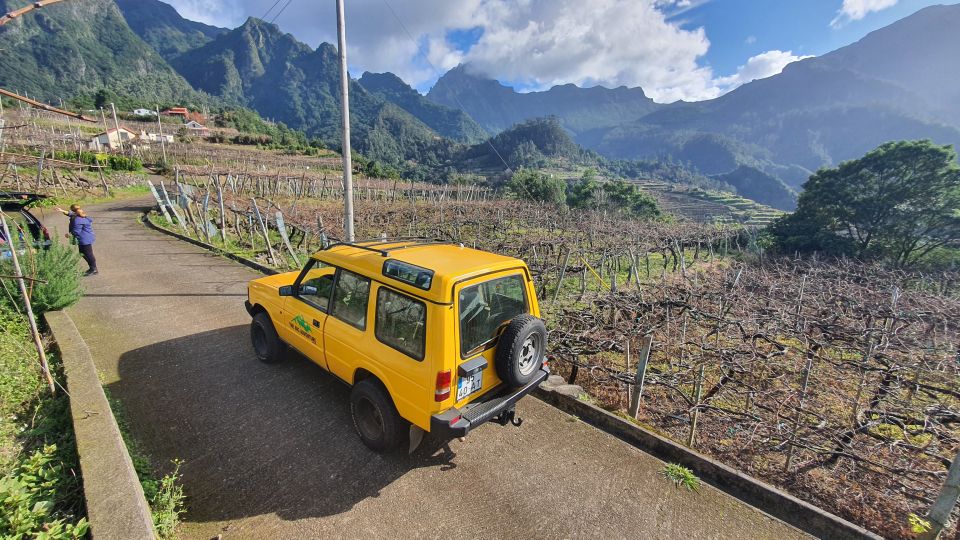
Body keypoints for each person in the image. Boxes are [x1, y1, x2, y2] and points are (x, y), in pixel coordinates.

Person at [56, 204, 98, 276]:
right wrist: (62, 210)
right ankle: (92, 268)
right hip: (85, 238)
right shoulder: (80, 216)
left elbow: (76, 231)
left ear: (73, 211)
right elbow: (69, 214)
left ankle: (94, 269)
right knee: (83, 253)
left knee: (88, 254)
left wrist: (69, 235)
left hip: (84, 239)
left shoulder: (77, 220)